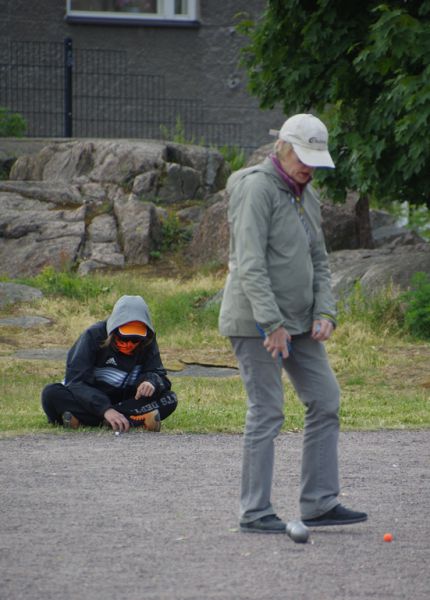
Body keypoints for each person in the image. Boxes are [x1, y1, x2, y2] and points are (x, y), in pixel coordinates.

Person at [219, 113, 367, 533]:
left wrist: (325, 310)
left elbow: (318, 260)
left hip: (301, 323)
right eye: (303, 156)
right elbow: (249, 265)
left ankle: (319, 503)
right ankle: (255, 511)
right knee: (267, 411)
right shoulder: (256, 189)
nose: (308, 166)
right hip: (255, 322)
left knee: (326, 400)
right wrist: (272, 323)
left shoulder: (307, 194)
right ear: (281, 147)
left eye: (314, 159)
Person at [41, 294, 177, 433]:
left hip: (124, 401)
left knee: (169, 399)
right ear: (113, 330)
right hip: (90, 399)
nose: (129, 344)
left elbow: (161, 377)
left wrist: (151, 382)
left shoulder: (148, 340)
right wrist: (105, 409)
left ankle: (84, 420)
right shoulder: (92, 336)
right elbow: (76, 382)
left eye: (135, 339)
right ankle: (130, 419)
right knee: (51, 393)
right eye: (123, 338)